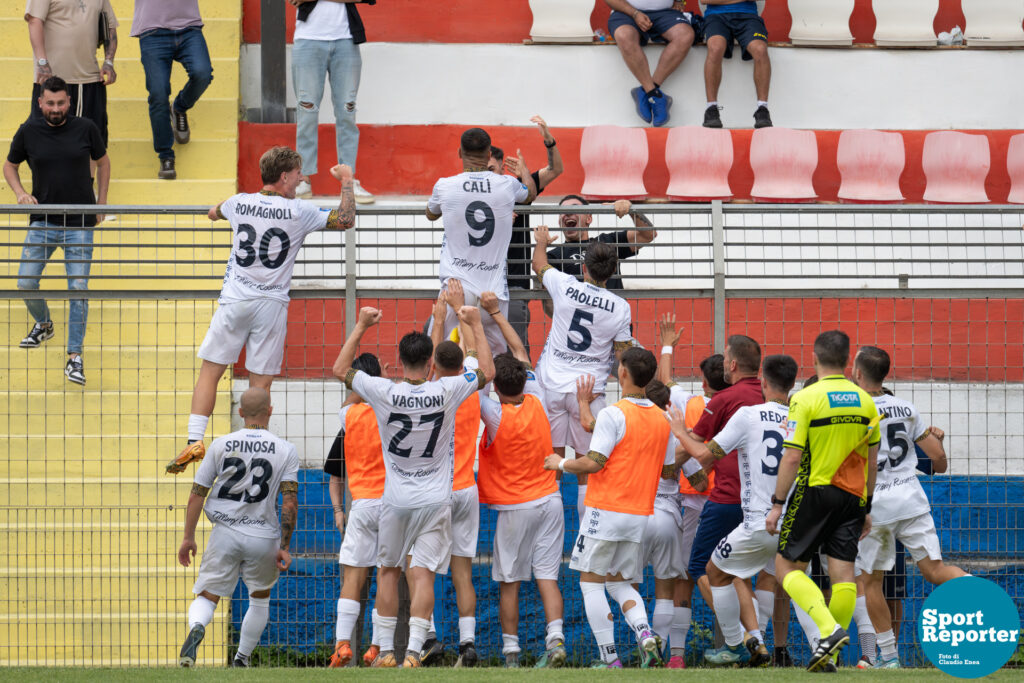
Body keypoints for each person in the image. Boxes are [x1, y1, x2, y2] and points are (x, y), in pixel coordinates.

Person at [167, 148, 356, 474]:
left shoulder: (239, 202)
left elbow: (216, 212)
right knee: (260, 384)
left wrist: (216, 211)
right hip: (270, 305)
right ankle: (251, 447)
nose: (301, 180)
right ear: (284, 177)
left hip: (235, 300)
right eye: (298, 174)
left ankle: (194, 439)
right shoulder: (299, 210)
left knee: (210, 372)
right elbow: (345, 219)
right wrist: (348, 183)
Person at [332, 306, 494, 668]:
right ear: (431, 364)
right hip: (436, 499)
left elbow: (340, 370)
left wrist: (360, 326)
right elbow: (488, 371)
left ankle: (386, 651)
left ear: (399, 360)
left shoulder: (383, 391)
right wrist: (475, 326)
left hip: (396, 499)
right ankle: (413, 653)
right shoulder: (446, 391)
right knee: (422, 574)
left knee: (389, 570)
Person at [544, 347, 688, 669]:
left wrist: (561, 461)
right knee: (618, 582)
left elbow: (594, 463)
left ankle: (610, 659)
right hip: (639, 513)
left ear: (623, 373)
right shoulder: (661, 419)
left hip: (605, 511)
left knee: (590, 583)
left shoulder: (613, 413)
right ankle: (646, 634)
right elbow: (667, 471)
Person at [765, 330, 881, 672]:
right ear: (849, 362)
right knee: (843, 576)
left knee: (786, 567)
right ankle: (829, 655)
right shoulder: (866, 400)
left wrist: (776, 503)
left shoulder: (807, 398)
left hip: (815, 490)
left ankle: (827, 631)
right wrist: (867, 506)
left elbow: (791, 457)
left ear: (814, 357)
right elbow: (872, 460)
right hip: (853, 497)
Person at [673, 354, 798, 666]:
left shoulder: (741, 409)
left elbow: (702, 453)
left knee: (706, 567)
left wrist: (678, 431)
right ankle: (821, 640)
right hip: (794, 514)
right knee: (782, 578)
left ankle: (742, 640)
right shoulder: (800, 416)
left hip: (741, 505)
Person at [850, 346, 966, 669]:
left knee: (871, 581)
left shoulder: (856, 409)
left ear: (858, 373)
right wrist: (936, 442)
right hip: (912, 500)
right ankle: (977, 590)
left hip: (877, 506)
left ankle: (889, 658)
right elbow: (938, 461)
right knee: (936, 570)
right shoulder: (906, 407)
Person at [576, 377, 704, 666]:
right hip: (669, 517)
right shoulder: (673, 435)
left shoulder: (624, 421)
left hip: (636, 512)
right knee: (666, 591)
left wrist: (583, 402)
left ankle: (621, 651)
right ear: (667, 405)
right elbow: (700, 480)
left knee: (618, 584)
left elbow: (589, 427)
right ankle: (664, 654)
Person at [175, 387, 299, 668]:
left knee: (208, 595)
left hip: (225, 531)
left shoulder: (221, 444)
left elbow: (197, 493)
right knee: (259, 598)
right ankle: (241, 659)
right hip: (263, 536)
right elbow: (289, 502)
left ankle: (197, 626)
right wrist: (284, 547)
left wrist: (188, 537)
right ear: (270, 410)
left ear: (240, 413)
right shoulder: (286, 450)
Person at [475, 291, 566, 669]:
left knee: (510, 581)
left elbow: (482, 369)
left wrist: (471, 325)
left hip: (516, 509)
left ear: (496, 386)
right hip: (551, 500)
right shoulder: (537, 397)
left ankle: (511, 653)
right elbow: (520, 352)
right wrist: (496, 313)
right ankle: (556, 641)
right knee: (547, 577)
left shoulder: (494, 412)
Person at [5, 76, 110, 386]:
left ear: (68, 102)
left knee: (78, 290)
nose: (55, 108)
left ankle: (74, 358)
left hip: (80, 224)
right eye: (49, 103)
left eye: (61, 102)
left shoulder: (86, 128)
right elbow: (10, 165)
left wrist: (100, 203)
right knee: (25, 283)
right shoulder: (28, 131)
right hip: (42, 221)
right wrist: (20, 193)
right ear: (40, 103)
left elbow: (103, 163)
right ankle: (44, 323)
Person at [532, 224, 633, 523]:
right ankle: (586, 538)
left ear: (584, 268)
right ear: (611, 272)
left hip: (551, 385)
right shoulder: (620, 307)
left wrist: (540, 241)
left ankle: (549, 539)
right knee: (587, 470)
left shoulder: (566, 285)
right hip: (588, 393)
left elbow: (539, 264)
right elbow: (622, 353)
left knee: (551, 465)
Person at [427, 127, 536, 357]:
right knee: (493, 362)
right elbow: (530, 194)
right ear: (489, 155)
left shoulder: (444, 185)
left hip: (456, 289)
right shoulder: (507, 184)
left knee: (445, 356)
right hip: (492, 292)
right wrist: (524, 172)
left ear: (459, 152)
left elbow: (430, 213)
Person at [684, 334, 764, 644]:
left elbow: (697, 446)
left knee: (699, 566)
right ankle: (760, 637)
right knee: (740, 570)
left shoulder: (726, 399)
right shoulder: (771, 396)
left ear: (731, 364)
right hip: (766, 500)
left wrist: (674, 461)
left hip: (728, 496)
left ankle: (741, 639)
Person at [657, 327, 729, 668]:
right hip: (733, 502)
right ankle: (745, 639)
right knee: (732, 575)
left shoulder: (691, 401)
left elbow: (665, 379)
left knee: (684, 576)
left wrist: (668, 345)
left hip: (695, 502)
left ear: (703, 382)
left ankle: (677, 655)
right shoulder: (741, 405)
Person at [425, 282, 483, 667]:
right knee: (463, 570)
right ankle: (468, 644)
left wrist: (439, 317)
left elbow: (432, 360)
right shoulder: (472, 388)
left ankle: (428, 639)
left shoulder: (427, 393)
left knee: (424, 569)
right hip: (467, 487)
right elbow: (477, 355)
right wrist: (467, 317)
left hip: (435, 490)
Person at [324, 353, 385, 668]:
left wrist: (360, 382)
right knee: (388, 576)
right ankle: (378, 648)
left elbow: (350, 398)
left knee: (354, 576)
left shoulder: (349, 414)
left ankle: (342, 644)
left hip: (362, 503)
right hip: (394, 504)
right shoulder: (393, 410)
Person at [487, 115, 564, 359]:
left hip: (514, 287)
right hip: (482, 286)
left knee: (517, 356)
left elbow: (555, 170)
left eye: (490, 169)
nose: (486, 174)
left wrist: (548, 141)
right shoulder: (472, 194)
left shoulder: (520, 185)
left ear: (501, 166)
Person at [290, 0, 375, 203]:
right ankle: (303, 179)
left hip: (346, 40)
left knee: (347, 112)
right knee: (306, 112)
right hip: (308, 40)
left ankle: (348, 180)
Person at [131, 0, 214, 180]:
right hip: (152, 32)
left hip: (189, 28)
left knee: (203, 74)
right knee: (158, 94)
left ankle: (179, 107)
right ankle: (166, 156)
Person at [26, 0, 117, 150]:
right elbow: (34, 21)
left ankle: (88, 175)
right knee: (44, 142)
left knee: (92, 143)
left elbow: (110, 26)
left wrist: (109, 62)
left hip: (90, 79)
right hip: (52, 81)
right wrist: (42, 62)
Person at [604, 1, 700, 127]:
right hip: (626, 12)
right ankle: (656, 95)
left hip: (665, 13)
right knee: (624, 35)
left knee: (685, 35)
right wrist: (635, 13)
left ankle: (647, 91)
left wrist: (679, 1)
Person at [544, 195, 656, 297]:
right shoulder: (554, 256)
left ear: (589, 218)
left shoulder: (607, 241)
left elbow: (648, 235)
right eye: (563, 211)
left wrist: (631, 210)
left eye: (574, 208)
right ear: (559, 221)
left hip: (614, 315)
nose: (567, 213)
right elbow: (549, 303)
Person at [701, 0, 773, 129]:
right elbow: (705, 0)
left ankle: (763, 109)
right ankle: (711, 108)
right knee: (715, 48)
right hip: (716, 17)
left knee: (760, 49)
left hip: (748, 16)